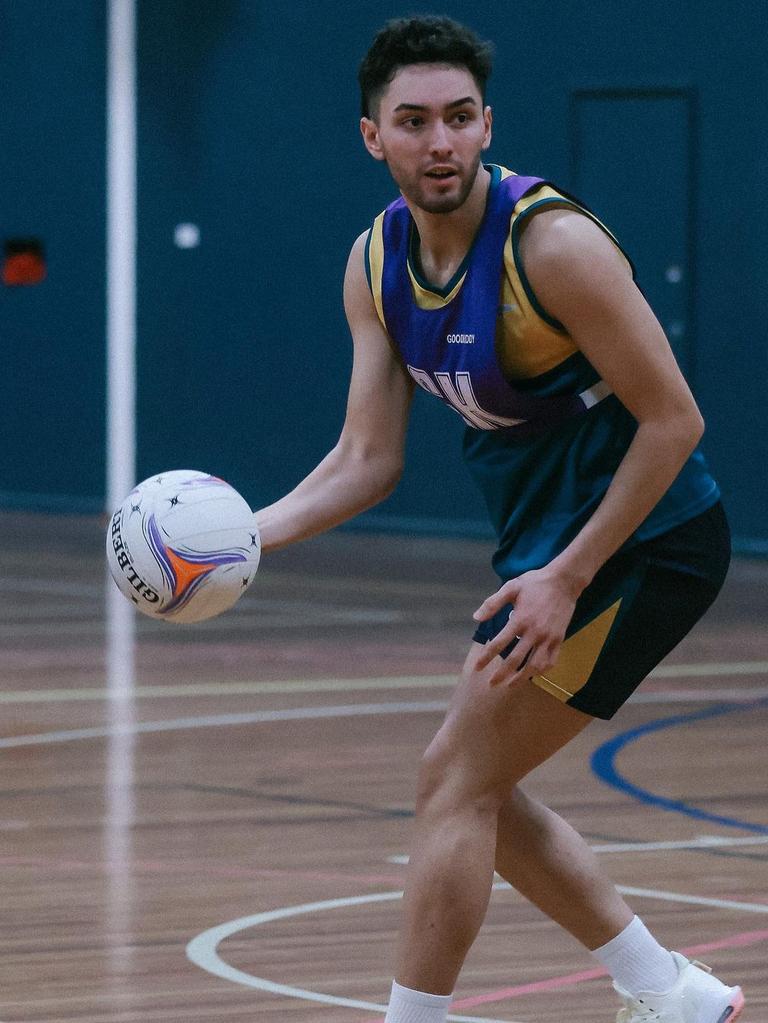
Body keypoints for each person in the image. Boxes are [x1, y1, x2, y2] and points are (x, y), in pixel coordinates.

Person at [254, 15, 742, 1023]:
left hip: (644, 542)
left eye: (461, 118)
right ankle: (671, 993)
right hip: (544, 554)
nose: (441, 141)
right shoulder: (377, 263)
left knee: (454, 782)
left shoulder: (551, 247)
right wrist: (243, 540)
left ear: (487, 127)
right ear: (371, 136)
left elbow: (674, 418)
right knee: (480, 789)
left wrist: (568, 577)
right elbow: (366, 460)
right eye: (416, 120)